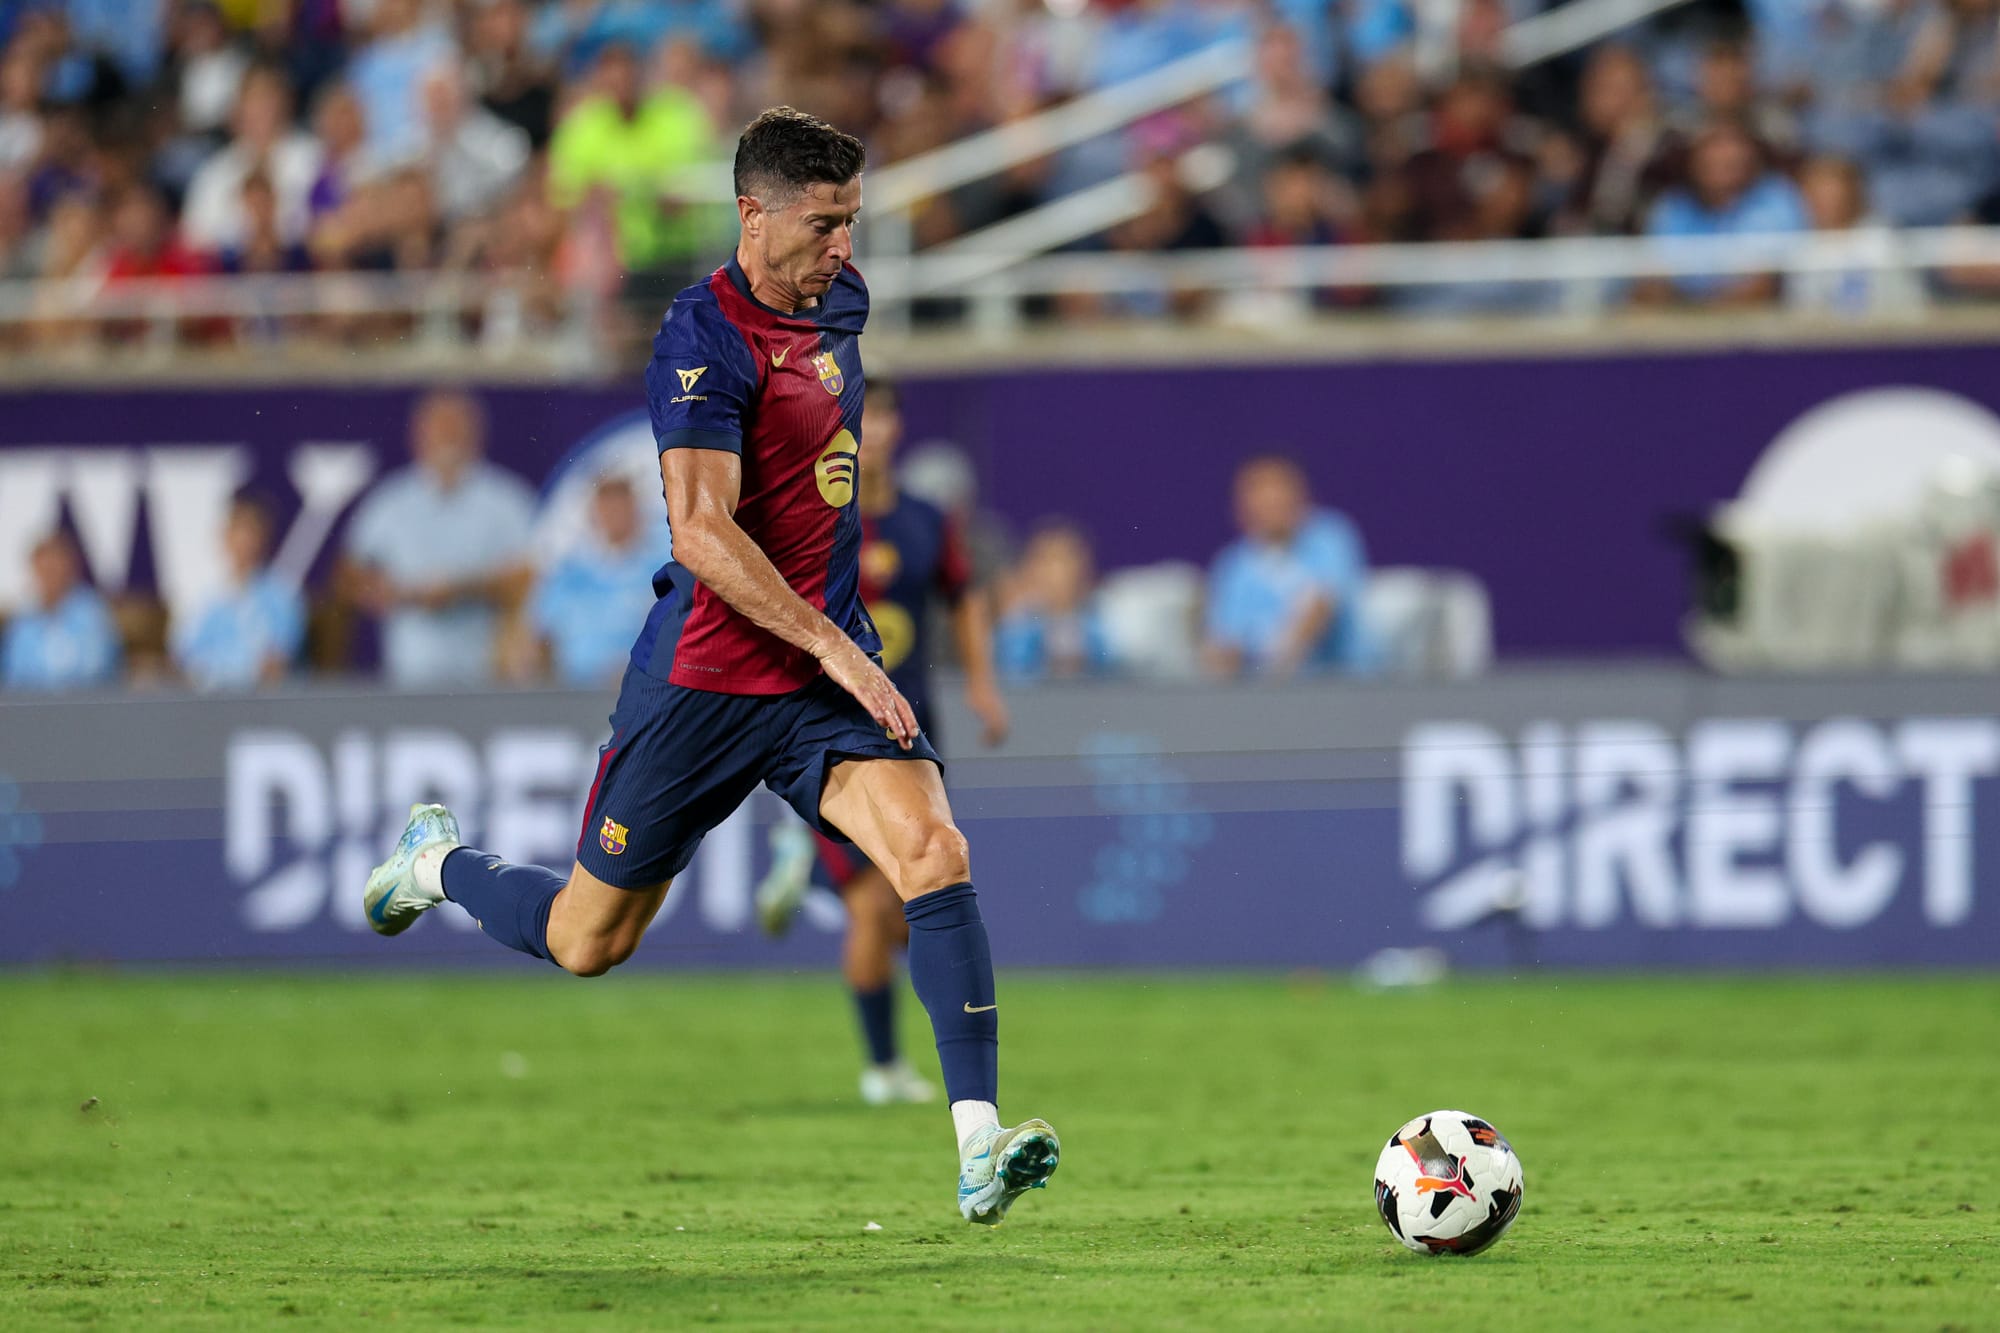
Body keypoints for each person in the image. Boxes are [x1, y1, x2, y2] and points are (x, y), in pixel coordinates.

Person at [359, 107, 1061, 1227]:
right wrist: (831, 638)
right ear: (752, 214)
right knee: (588, 940)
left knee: (933, 850)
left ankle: (979, 1144)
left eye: (852, 220)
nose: (844, 247)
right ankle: (439, 864)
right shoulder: (701, 335)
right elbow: (697, 531)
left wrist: (836, 642)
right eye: (823, 223)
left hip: (820, 684)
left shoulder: (840, 300)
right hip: (704, 679)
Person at [751, 375, 1010, 1107]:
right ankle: (883, 1066)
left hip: (912, 731)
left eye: (887, 417)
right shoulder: (810, 513)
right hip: (833, 732)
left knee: (911, 906)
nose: (878, 431)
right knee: (872, 906)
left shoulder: (927, 520)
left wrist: (983, 684)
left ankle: (802, 857)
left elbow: (963, 598)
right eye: (866, 418)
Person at [339, 389, 537, 688]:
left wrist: (461, 589)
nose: (447, 437)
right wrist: (394, 592)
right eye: (440, 427)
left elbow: (530, 577)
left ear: (476, 433)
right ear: (418, 434)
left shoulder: (508, 500)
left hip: (489, 675)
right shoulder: (390, 502)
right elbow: (351, 575)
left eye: (455, 427)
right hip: (409, 672)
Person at [1202, 454, 1375, 678]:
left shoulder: (1330, 536)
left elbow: (1322, 607)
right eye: (1259, 491)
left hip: (1343, 678)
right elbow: (1225, 640)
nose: (1271, 499)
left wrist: (1280, 660)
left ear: (1301, 496)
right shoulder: (1232, 564)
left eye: (1279, 489)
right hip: (1262, 691)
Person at [528, 472, 674, 687]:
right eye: (607, 504)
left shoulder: (663, 569)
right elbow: (539, 634)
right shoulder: (570, 573)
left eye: (621, 504)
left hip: (640, 688)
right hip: (571, 690)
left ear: (636, 510)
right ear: (594, 512)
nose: (614, 513)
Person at [171, 493, 305, 692]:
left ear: (263, 540)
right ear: (225, 538)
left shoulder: (283, 597)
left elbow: (276, 664)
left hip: (261, 701)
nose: (245, 543)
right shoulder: (203, 598)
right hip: (206, 700)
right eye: (238, 533)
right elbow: (183, 658)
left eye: (252, 534)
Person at [994, 520, 1115, 681]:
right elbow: (1011, 669)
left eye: (1062, 561)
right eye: (1043, 561)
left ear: (1081, 567)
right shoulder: (1018, 626)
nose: (1052, 573)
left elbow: (1111, 668)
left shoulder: (1101, 622)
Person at [2, 532, 119, 691]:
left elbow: (95, 669)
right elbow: (12, 674)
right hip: (31, 703)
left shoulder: (92, 613)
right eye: (44, 568)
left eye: (55, 567)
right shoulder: (22, 620)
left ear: (69, 568)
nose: (50, 575)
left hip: (85, 702)